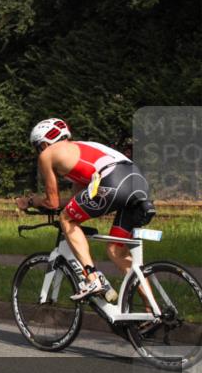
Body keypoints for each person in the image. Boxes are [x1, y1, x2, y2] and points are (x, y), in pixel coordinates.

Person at [15, 119, 155, 302]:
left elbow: (53, 202)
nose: (39, 152)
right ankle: (151, 309)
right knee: (116, 250)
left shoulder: (47, 154)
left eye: (38, 147)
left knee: (67, 220)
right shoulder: (82, 151)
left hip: (111, 180)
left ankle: (93, 278)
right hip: (136, 181)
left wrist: (32, 201)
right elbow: (75, 201)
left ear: (43, 143)